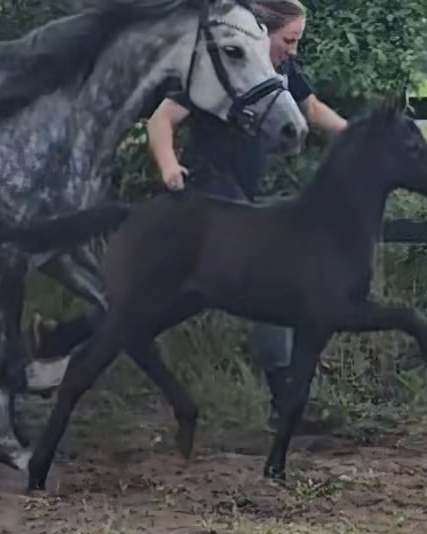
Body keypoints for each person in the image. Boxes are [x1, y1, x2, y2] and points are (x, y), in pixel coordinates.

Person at [146, 0, 348, 430]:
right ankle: (287, 405)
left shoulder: (281, 72)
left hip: (239, 196)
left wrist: (356, 136)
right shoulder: (219, 68)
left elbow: (310, 108)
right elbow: (161, 120)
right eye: (289, 40)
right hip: (207, 193)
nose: (293, 50)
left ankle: (67, 340)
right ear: (262, 33)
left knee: (170, 298)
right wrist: (168, 166)